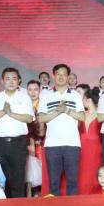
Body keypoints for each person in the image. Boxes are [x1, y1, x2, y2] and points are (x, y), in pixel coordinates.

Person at [0, 68, 34, 198]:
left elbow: (29, 118)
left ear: (19, 80)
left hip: (18, 143)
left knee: (18, 179)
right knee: (0, 179)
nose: (11, 82)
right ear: (3, 81)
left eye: (14, 78)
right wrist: (3, 112)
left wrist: (11, 113)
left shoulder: (24, 97)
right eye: (7, 79)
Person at [37, 64, 86, 195]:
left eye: (64, 74)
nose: (61, 77)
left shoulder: (75, 95)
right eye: (58, 74)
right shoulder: (46, 95)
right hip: (52, 144)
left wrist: (66, 110)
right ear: (53, 76)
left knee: (72, 182)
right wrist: (58, 112)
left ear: (68, 77)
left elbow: (82, 117)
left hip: (72, 144)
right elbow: (41, 118)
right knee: (54, 183)